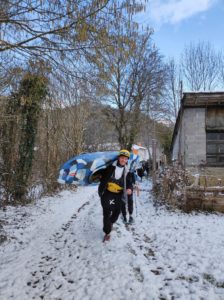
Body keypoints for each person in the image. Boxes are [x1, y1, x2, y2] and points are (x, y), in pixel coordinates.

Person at [98, 149, 133, 242]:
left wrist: (129, 189)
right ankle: (107, 232)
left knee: (117, 212)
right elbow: (101, 173)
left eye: (125, 159)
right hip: (107, 192)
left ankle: (111, 222)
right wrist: (98, 176)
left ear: (127, 160)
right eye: (122, 158)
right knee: (106, 212)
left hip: (119, 194)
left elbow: (129, 182)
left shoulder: (127, 170)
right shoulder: (110, 167)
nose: (123, 160)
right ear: (119, 158)